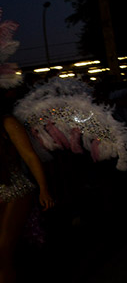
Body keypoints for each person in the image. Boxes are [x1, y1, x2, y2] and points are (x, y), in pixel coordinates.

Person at [1, 111, 53, 283]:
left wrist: (43, 188)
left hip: (15, 190)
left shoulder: (7, 122)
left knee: (2, 251)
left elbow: (30, 157)